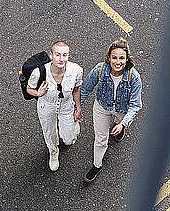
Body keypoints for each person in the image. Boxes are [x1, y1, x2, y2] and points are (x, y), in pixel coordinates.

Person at [80, 37, 143, 183]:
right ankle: (97, 165)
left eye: (122, 58)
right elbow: (84, 90)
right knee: (101, 139)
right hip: (102, 107)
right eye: (114, 57)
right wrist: (76, 108)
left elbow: (135, 105)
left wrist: (123, 124)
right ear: (109, 57)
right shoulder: (100, 69)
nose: (118, 61)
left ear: (127, 59)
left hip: (122, 110)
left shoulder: (134, 78)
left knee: (118, 125)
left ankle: (119, 128)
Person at [26, 41, 83, 171]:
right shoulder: (38, 72)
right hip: (47, 106)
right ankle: (53, 151)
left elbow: (76, 90)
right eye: (58, 55)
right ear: (51, 55)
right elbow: (29, 88)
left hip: (66, 105)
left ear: (68, 56)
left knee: (69, 139)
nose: (61, 59)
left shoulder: (76, 71)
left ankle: (71, 129)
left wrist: (78, 108)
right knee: (49, 132)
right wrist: (38, 93)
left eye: (65, 55)